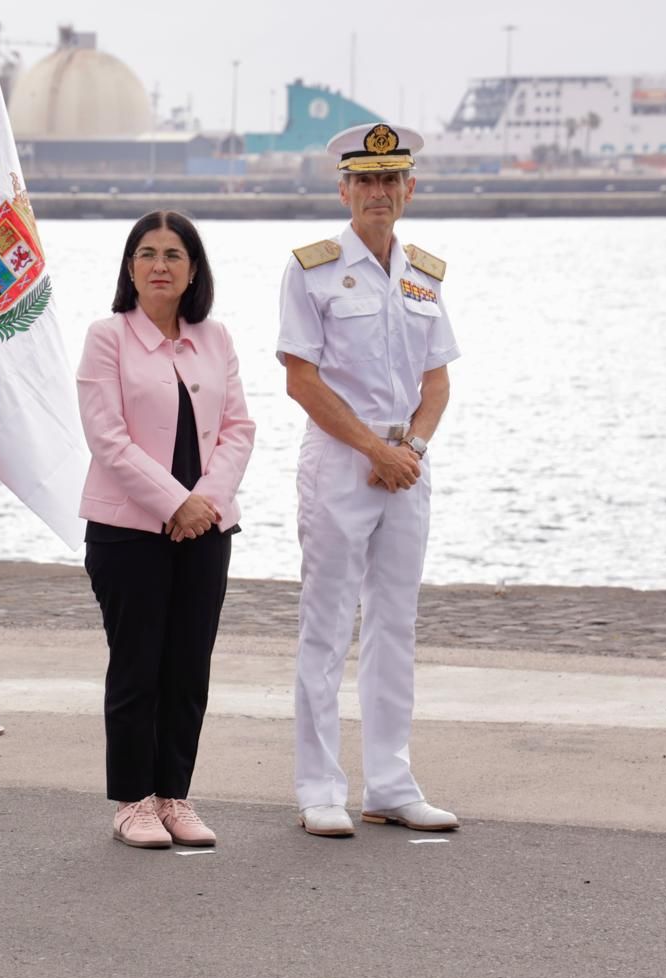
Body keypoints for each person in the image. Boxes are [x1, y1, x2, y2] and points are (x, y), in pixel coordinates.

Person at [276, 122, 460, 839]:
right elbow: (301, 380)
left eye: (391, 181)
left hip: (405, 464)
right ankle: (320, 787)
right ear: (344, 189)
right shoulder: (312, 268)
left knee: (395, 625)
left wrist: (408, 449)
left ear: (409, 191)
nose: (378, 193)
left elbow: (437, 382)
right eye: (366, 181)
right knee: (325, 628)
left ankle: (390, 782)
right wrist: (374, 453)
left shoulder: (423, 273)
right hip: (340, 462)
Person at [76, 211, 256, 849]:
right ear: (130, 268)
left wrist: (204, 502)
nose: (160, 265)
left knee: (188, 667)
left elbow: (238, 428)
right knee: (138, 666)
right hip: (128, 531)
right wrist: (173, 503)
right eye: (147, 254)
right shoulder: (107, 338)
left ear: (193, 270)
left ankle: (174, 795)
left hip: (206, 528)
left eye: (174, 255)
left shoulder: (216, 337)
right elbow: (107, 438)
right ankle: (132, 800)